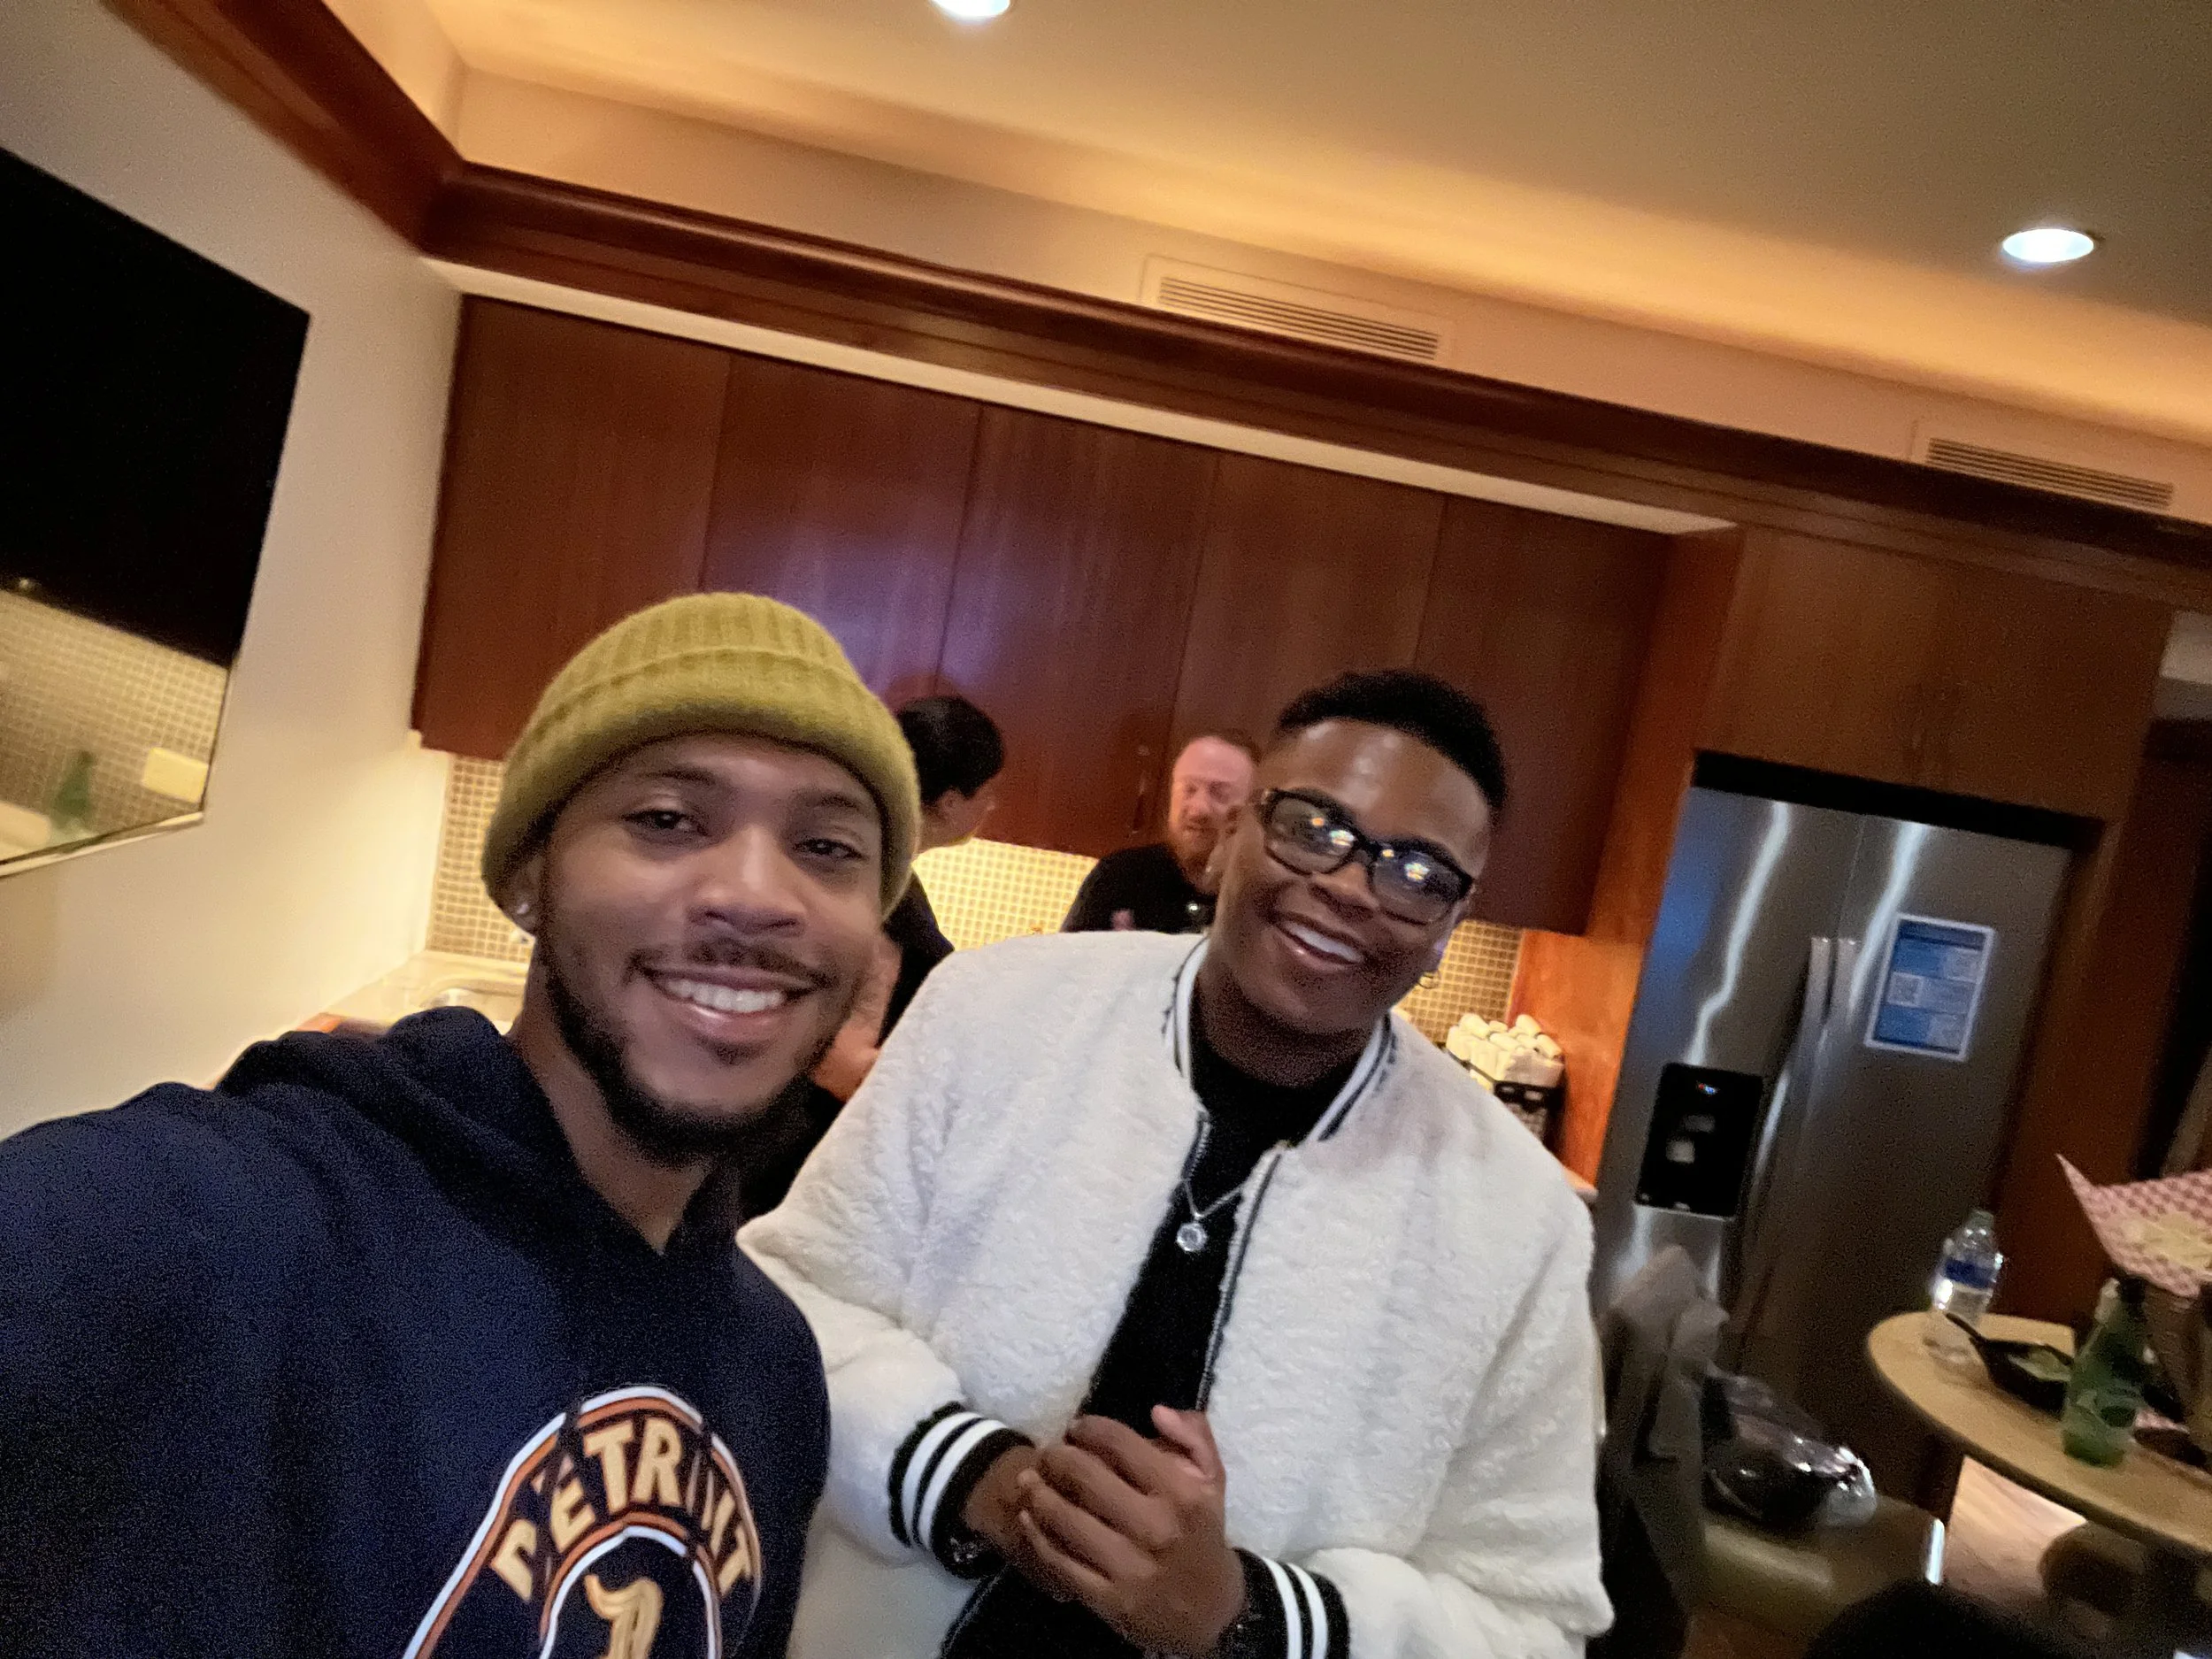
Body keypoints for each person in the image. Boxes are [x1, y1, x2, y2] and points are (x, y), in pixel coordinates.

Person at [0, 593, 920, 1659]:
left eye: (826, 845)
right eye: (667, 820)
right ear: (530, 876)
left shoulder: (774, 1375)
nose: (757, 894)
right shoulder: (222, 1226)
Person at [746, 669, 1609, 1659]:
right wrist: (972, 1475)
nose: (1346, 886)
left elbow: (1531, 1621)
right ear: (1233, 832)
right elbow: (785, 1301)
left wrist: (1246, 1616)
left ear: (1452, 920)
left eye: (1417, 873)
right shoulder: (992, 1013)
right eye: (1313, 826)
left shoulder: (1518, 1220)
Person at [742, 693, 1007, 1213]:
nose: (993, 806)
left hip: (791, 1149)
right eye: (989, 791)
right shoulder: (877, 888)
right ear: (952, 801)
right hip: (795, 1160)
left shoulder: (866, 869)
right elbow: (844, 1060)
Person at [1063, 732, 1257, 934]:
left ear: (1252, 806)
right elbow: (1068, 952)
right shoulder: (1118, 876)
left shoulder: (1260, 899)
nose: (1198, 809)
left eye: (1220, 794)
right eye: (1189, 789)